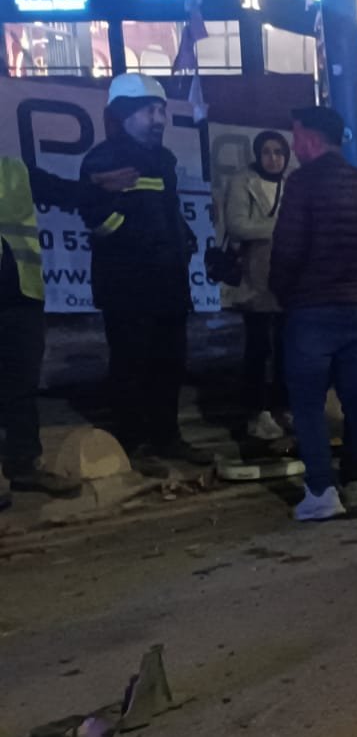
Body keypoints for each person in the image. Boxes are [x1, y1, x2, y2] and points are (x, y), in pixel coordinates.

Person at [269, 106, 357, 521]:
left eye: (296, 137)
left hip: (312, 310)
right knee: (356, 396)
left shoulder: (302, 184)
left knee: (308, 403)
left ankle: (320, 489)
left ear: (311, 138)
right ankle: (356, 481)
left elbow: (287, 251)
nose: (293, 146)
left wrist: (283, 293)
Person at [77, 73, 208, 472]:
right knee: (132, 366)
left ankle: (167, 437)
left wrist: (182, 239)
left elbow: (164, 211)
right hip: (128, 286)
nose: (160, 119)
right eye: (150, 110)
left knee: (169, 364)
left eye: (162, 110)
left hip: (167, 283)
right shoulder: (103, 160)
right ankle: (133, 444)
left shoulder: (162, 160)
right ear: (125, 114)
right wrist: (139, 240)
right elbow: (99, 221)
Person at [0, 158, 84, 510]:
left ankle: (23, 465)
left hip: (21, 294)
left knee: (21, 386)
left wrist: (97, 184)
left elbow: (62, 191)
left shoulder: (13, 169)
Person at [222, 130, 292, 443]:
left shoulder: (294, 182)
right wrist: (283, 228)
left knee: (288, 348)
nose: (273, 158)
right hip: (255, 280)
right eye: (267, 152)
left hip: (290, 280)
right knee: (259, 348)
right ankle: (256, 410)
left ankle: (282, 405)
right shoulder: (242, 181)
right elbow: (237, 225)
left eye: (279, 152)